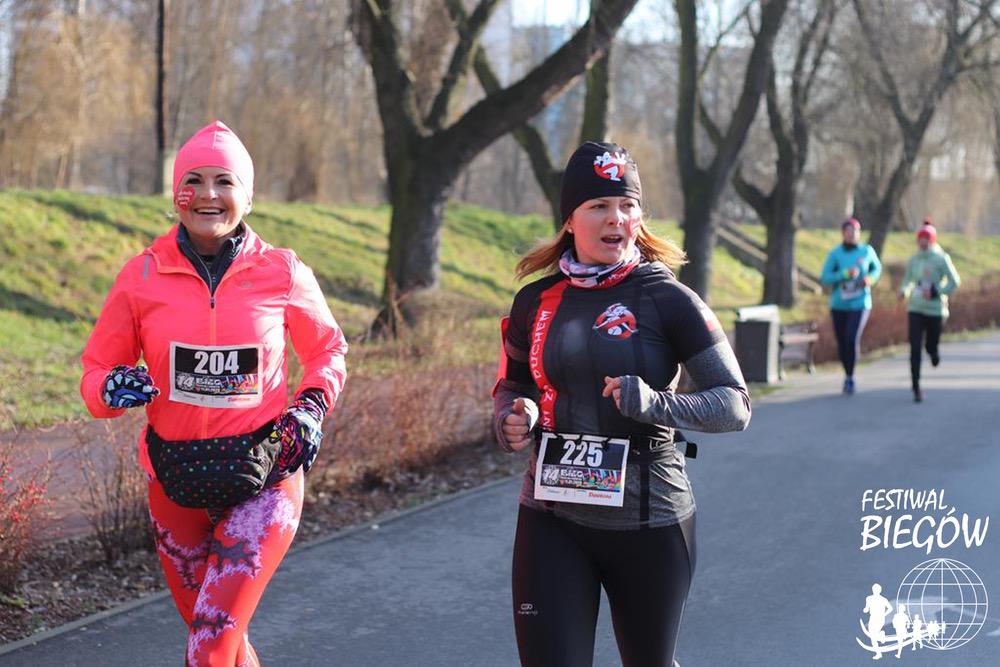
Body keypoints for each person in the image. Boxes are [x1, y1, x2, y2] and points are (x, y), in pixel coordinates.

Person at [80, 121, 348, 666]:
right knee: (220, 641)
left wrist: (310, 408)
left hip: (263, 480)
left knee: (211, 641)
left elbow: (328, 351)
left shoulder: (282, 271)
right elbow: (95, 372)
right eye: (193, 180)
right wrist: (111, 386)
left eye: (224, 181)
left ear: (248, 196)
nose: (207, 194)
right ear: (175, 192)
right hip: (174, 483)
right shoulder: (141, 276)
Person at [493, 142, 751, 667]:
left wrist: (658, 404)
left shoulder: (669, 299)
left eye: (627, 205)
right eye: (599, 206)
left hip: (648, 523)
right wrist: (513, 418)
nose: (617, 218)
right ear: (570, 219)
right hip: (551, 518)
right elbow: (512, 387)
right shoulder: (534, 302)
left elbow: (735, 404)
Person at [899, 219, 960, 403]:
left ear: (932, 240)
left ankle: (933, 352)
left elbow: (954, 281)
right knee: (915, 347)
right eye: (921, 239)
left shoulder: (941, 258)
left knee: (930, 345)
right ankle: (916, 385)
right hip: (916, 307)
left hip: (935, 309)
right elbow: (908, 281)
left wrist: (936, 291)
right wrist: (904, 291)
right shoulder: (914, 259)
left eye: (926, 238)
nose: (923, 242)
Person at [820, 218, 882, 394]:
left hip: (860, 303)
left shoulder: (866, 251)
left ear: (859, 233)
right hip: (839, 304)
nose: (851, 234)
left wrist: (869, 279)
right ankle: (847, 373)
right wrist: (844, 274)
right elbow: (825, 277)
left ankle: (850, 376)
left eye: (854, 231)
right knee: (841, 341)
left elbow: (877, 269)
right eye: (848, 231)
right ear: (843, 234)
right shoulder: (835, 254)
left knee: (851, 337)